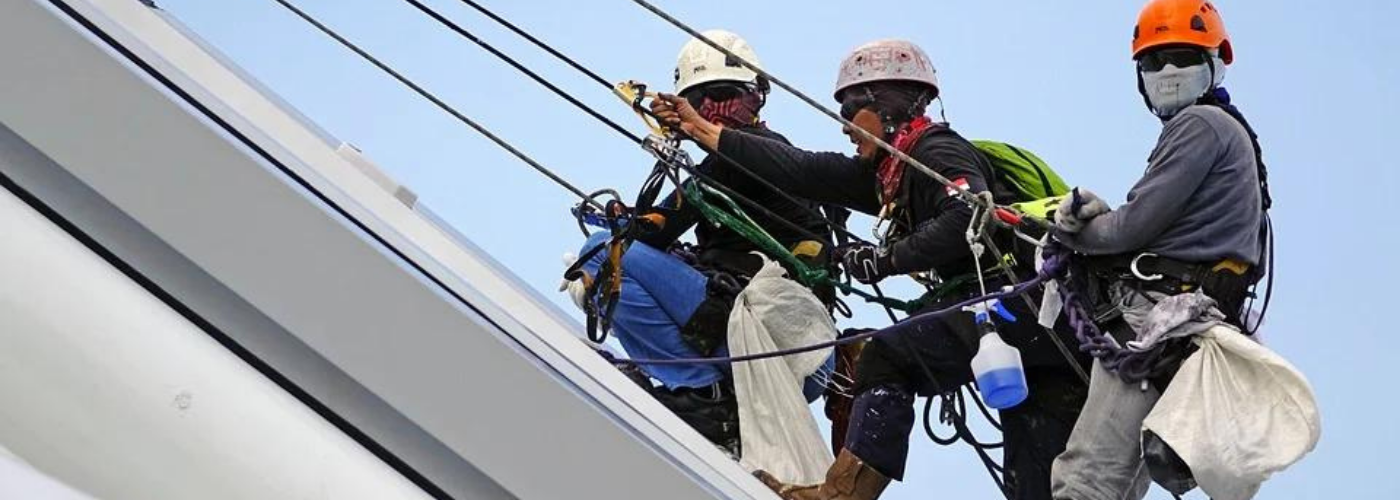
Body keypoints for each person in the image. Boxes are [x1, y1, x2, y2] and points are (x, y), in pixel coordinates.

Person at [652, 40, 1089, 500]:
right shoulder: (888, 174)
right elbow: (800, 169)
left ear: (884, 103)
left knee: (887, 356)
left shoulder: (936, 150)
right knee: (1032, 476)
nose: (843, 127)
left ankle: (841, 495)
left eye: (849, 109)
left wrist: (887, 260)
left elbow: (966, 214)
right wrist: (704, 131)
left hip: (1022, 301)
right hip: (1051, 327)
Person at [566, 30, 836, 455]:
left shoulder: (749, 153)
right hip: (798, 355)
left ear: (757, 99)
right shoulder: (770, 161)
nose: (712, 112)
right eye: (699, 102)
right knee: (632, 258)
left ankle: (700, 391)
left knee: (603, 254)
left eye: (725, 96)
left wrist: (627, 222)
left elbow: (657, 227)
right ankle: (711, 397)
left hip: (778, 342)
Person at [1047, 1, 1271, 498]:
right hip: (1188, 323)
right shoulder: (1230, 133)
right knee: (1122, 486)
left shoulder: (1200, 125)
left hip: (1157, 320)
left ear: (1215, 63)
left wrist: (1068, 232)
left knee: (1087, 479)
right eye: (1154, 61)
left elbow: (1133, 227)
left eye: (1181, 57)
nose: (1168, 72)